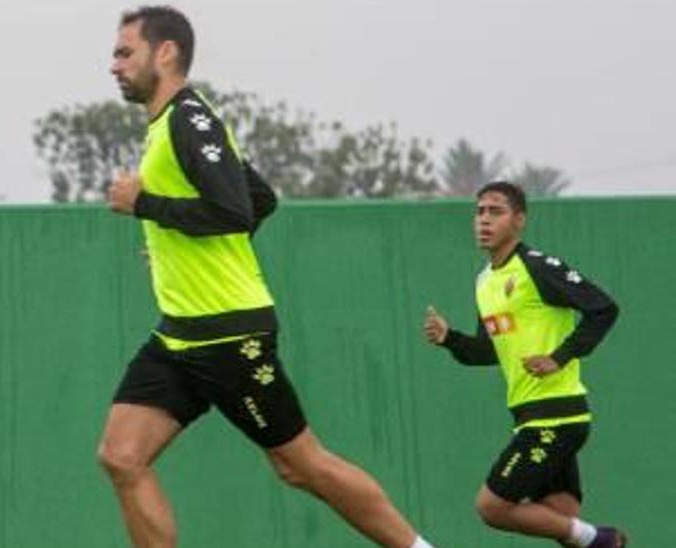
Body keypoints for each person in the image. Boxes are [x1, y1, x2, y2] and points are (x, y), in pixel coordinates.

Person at [99, 6, 433, 548]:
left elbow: (232, 211)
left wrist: (145, 204)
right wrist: (175, 246)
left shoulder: (191, 118)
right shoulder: (168, 123)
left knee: (301, 466)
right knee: (121, 456)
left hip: (229, 333)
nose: (113, 65)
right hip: (182, 331)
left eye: (123, 52)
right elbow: (261, 200)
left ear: (166, 52)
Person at [423, 182, 626, 547]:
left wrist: (558, 357)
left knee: (491, 507)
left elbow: (603, 309)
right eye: (480, 211)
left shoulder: (537, 268)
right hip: (531, 416)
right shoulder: (485, 282)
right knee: (564, 523)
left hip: (557, 418)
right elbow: (487, 352)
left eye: (495, 212)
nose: (484, 220)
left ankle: (603, 539)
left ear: (519, 220)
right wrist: (449, 338)